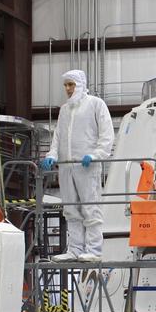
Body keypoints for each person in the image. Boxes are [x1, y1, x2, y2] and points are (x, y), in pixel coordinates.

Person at [41, 69, 115, 262]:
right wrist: (52, 154)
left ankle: (94, 250)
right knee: (71, 209)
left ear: (80, 85)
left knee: (90, 208)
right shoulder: (64, 110)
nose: (67, 89)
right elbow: (57, 136)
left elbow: (107, 135)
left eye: (71, 84)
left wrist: (96, 154)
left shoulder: (95, 104)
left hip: (87, 166)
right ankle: (75, 250)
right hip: (66, 167)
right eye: (65, 85)